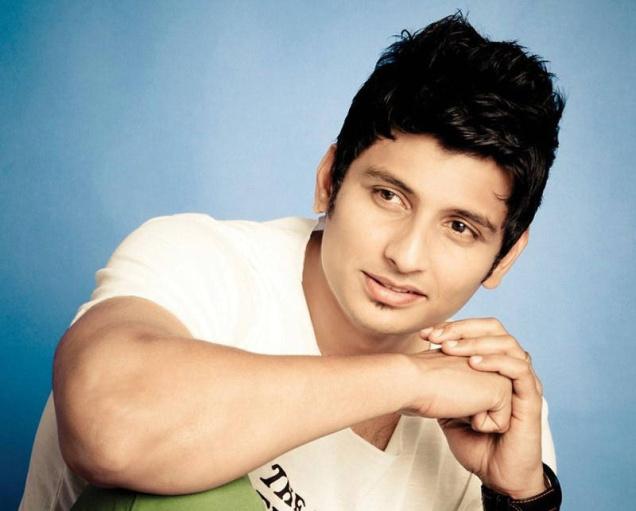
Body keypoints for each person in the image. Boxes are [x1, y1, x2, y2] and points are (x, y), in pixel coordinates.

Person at [20, 13, 565, 511]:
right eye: (388, 196)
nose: (406, 255)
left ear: (504, 257)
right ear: (329, 179)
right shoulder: (202, 260)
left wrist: (521, 496)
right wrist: (410, 381)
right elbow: (110, 426)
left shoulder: (494, 402)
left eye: (459, 227)